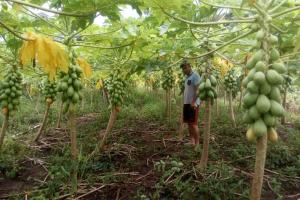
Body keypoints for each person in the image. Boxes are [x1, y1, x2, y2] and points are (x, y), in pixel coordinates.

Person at [180, 60, 201, 146]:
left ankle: (197, 143)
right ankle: (192, 141)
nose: (184, 70)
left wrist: (193, 102)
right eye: (182, 68)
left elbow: (198, 90)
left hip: (193, 104)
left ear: (189, 66)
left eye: (185, 67)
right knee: (189, 123)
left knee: (193, 124)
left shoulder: (195, 75)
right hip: (187, 103)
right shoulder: (187, 77)